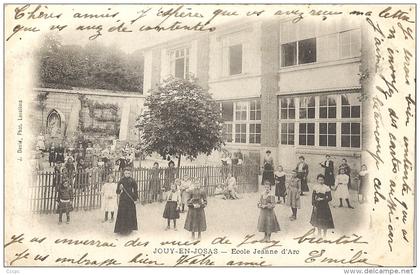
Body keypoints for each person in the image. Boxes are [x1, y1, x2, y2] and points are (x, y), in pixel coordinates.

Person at [114, 168, 139, 234]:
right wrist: (120, 188)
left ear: (130, 173)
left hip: (130, 199)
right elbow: (117, 192)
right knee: (122, 213)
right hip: (123, 199)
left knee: (130, 214)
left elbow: (135, 190)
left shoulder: (133, 180)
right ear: (124, 173)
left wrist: (135, 199)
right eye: (126, 173)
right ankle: (121, 229)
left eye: (128, 173)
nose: (127, 174)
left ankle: (129, 229)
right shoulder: (121, 180)